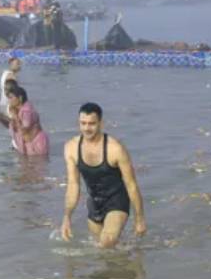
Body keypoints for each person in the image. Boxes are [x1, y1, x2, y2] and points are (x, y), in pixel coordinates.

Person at [61, 102, 147, 248]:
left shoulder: (115, 149)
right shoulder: (71, 148)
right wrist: (67, 217)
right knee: (105, 252)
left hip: (117, 200)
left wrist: (139, 219)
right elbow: (73, 185)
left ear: (101, 123)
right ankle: (129, 261)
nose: (87, 128)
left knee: (106, 242)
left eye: (92, 124)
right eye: (83, 123)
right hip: (95, 203)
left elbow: (131, 185)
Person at [5, 85, 48, 156]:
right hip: (29, 144)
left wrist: (14, 116)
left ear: (20, 98)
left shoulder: (27, 111)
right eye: (8, 98)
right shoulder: (18, 110)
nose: (9, 101)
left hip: (37, 144)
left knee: (37, 165)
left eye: (11, 98)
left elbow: (23, 130)